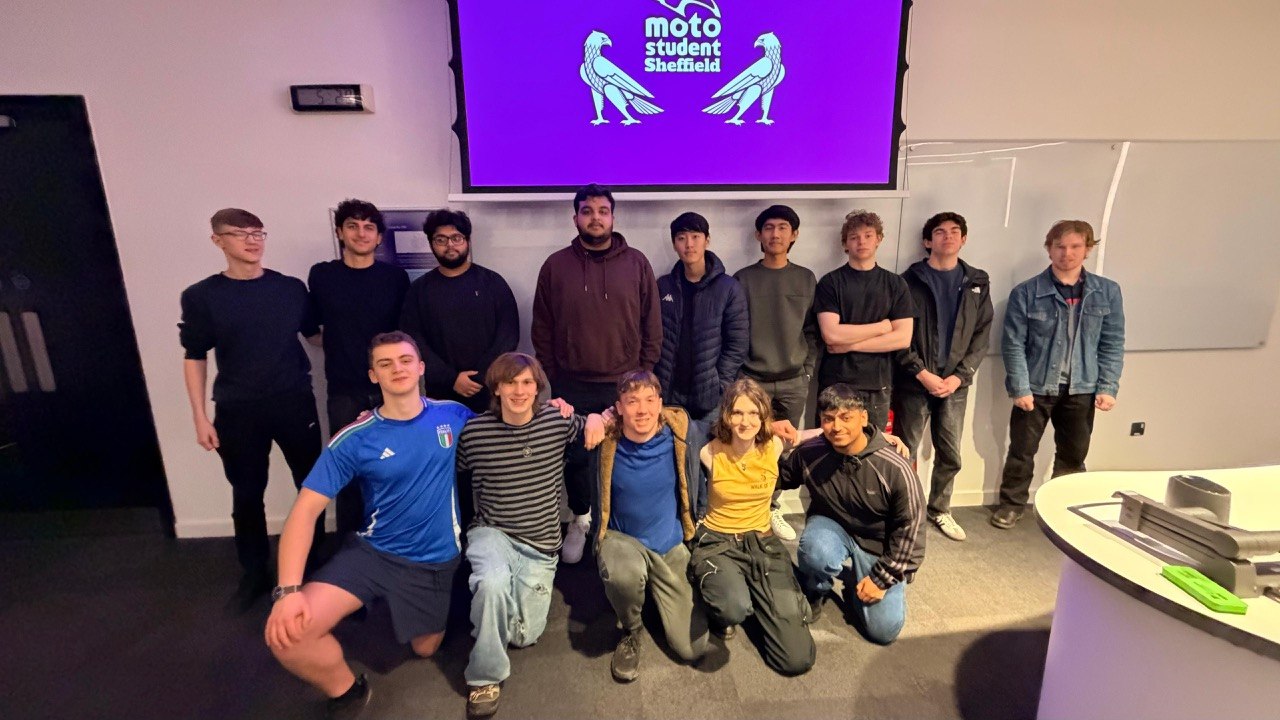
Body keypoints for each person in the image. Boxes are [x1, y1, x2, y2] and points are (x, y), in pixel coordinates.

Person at [264, 332, 474, 719]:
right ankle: (346, 690)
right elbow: (305, 511)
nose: (398, 368)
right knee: (288, 638)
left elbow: (513, 427)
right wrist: (288, 591)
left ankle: (411, 605)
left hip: (433, 560)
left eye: (405, 360)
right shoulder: (354, 438)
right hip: (373, 553)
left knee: (425, 648)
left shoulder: (454, 415)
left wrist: (559, 407)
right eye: (386, 363)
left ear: (421, 368)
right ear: (373, 375)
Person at [179, 208, 324, 614]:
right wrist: (199, 416)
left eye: (258, 232)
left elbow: (315, 336)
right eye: (240, 234)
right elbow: (194, 355)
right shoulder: (202, 296)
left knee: (311, 488)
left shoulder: (291, 289)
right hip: (238, 407)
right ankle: (255, 572)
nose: (252, 240)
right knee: (246, 494)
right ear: (218, 241)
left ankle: (311, 566)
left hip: (294, 400)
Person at [456, 353, 604, 719]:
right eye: (511, 382)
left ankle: (488, 617)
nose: (519, 391)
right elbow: (441, 466)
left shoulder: (556, 420)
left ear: (538, 388)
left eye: (527, 383)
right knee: (491, 582)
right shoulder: (474, 433)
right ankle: (484, 677)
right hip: (493, 534)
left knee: (524, 636)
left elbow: (594, 425)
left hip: (540, 547)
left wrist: (601, 417)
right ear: (497, 387)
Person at [531, 183, 662, 563]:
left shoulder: (637, 263)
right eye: (587, 211)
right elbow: (542, 326)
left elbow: (652, 324)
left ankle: (618, 523)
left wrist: (643, 377)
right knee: (576, 457)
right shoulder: (556, 265)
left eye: (602, 211)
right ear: (575, 218)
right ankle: (581, 519)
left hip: (626, 383)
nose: (595, 217)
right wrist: (552, 380)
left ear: (613, 217)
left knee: (627, 455)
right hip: (572, 383)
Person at [993, 220, 1125, 529]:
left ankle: (1062, 508)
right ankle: (1012, 505)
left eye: (1075, 246)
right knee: (1022, 451)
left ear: (1088, 249)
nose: (1067, 253)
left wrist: (1108, 386)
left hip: (1083, 386)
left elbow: (1113, 342)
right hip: (1036, 386)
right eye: (1060, 246)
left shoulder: (1106, 293)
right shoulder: (1026, 292)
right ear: (1049, 249)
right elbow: (1013, 344)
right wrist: (1020, 387)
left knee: (1073, 454)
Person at [780, 384, 925, 645]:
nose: (837, 427)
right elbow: (776, 477)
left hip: (878, 545)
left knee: (883, 632)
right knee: (815, 552)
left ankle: (859, 580)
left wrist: (883, 580)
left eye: (846, 418)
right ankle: (816, 589)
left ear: (864, 418)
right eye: (828, 419)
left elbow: (911, 531)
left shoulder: (895, 467)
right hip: (831, 527)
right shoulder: (811, 452)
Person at [691, 378, 815, 675]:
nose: (745, 421)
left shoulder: (772, 445)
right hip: (718, 541)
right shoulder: (709, 451)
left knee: (797, 659)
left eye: (753, 414)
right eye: (737, 413)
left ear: (763, 417)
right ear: (727, 416)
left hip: (761, 542)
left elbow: (823, 434)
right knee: (733, 607)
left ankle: (766, 598)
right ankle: (729, 599)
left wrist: (877, 435)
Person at [593, 370, 708, 682]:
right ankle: (631, 629)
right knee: (623, 575)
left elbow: (721, 442)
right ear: (618, 407)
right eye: (632, 401)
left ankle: (657, 596)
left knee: (692, 649)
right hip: (623, 541)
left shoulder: (682, 434)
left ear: (660, 404)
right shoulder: (605, 441)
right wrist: (593, 418)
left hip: (669, 545)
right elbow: (564, 425)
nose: (641, 410)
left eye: (648, 400)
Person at [308, 199, 410, 536]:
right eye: (352, 226)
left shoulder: (395, 277)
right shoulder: (322, 275)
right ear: (340, 232)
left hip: (390, 390)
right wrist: (345, 348)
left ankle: (393, 538)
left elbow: (403, 335)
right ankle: (350, 547)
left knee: (394, 465)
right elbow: (312, 331)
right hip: (344, 390)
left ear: (380, 237)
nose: (361, 233)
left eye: (369, 227)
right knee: (349, 470)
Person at [891, 212, 994, 542]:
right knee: (903, 450)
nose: (947, 237)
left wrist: (960, 377)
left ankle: (939, 509)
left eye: (954, 232)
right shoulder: (906, 282)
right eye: (939, 232)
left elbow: (981, 334)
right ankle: (905, 510)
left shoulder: (978, 282)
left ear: (963, 239)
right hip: (913, 381)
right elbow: (898, 335)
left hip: (954, 385)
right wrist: (920, 372)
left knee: (950, 452)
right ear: (927, 241)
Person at [733, 204, 820, 540]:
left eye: (783, 227)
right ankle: (744, 510)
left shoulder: (806, 278)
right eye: (768, 227)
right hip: (751, 379)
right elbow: (735, 330)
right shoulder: (743, 278)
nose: (775, 234)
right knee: (745, 444)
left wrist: (807, 372)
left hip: (793, 380)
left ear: (794, 235)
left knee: (782, 449)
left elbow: (813, 332)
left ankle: (772, 507)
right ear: (758, 235)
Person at [654, 211, 749, 513]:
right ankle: (681, 520)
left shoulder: (728, 288)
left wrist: (720, 383)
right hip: (670, 393)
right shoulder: (664, 286)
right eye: (681, 238)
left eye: (695, 237)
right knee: (673, 460)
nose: (689, 244)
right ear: (674, 244)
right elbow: (652, 335)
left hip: (709, 396)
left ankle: (704, 522)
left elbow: (737, 343)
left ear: (707, 240)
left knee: (708, 463)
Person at [399, 208, 519, 415]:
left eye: (456, 238)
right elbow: (413, 340)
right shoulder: (419, 290)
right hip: (441, 393)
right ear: (431, 244)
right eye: (441, 240)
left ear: (468, 241)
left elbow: (508, 335)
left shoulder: (493, 283)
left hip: (491, 389)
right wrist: (451, 378)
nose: (450, 245)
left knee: (490, 446)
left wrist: (480, 377)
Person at [814, 210, 915, 430]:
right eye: (854, 237)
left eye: (868, 235)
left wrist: (849, 344)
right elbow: (831, 335)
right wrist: (881, 327)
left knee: (873, 450)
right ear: (845, 244)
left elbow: (902, 338)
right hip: (836, 382)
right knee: (829, 448)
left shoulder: (896, 284)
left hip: (877, 385)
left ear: (878, 239)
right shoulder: (830, 283)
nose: (861, 241)